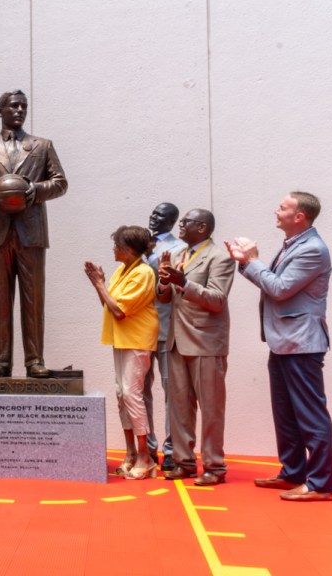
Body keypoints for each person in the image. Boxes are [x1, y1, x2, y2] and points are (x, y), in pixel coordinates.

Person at [225, 192, 332, 501]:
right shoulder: (295, 244)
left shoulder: (312, 249)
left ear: (299, 216)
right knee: (285, 414)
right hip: (284, 341)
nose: (276, 210)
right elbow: (273, 282)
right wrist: (246, 264)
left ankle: (321, 485)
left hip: (302, 343)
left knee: (312, 416)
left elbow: (280, 288)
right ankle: (293, 473)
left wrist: (253, 261)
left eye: (283, 207)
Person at [0, 89, 68, 378]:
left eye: (24, 106)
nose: (19, 110)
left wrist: (36, 190)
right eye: (13, 106)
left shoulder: (42, 146)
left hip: (31, 234)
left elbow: (60, 182)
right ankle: (0, 360)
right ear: (0, 111)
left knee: (33, 300)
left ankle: (34, 360)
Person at [158, 209, 235, 486]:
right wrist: (165, 280)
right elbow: (166, 298)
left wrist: (184, 282)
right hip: (177, 341)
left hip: (205, 342)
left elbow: (216, 299)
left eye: (186, 222)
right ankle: (184, 462)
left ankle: (214, 466)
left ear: (201, 228)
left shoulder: (220, 257)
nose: (181, 225)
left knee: (212, 409)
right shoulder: (179, 255)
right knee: (179, 407)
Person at [84, 226, 159, 479]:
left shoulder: (144, 272)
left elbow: (119, 310)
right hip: (121, 338)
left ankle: (145, 457)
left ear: (128, 249)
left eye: (117, 245)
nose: (114, 249)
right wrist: (99, 286)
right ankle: (130, 454)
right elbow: (108, 303)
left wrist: (100, 283)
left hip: (137, 339)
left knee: (132, 393)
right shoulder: (121, 270)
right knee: (121, 395)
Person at [145, 202, 187, 471]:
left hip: (164, 327)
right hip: (136, 329)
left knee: (171, 390)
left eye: (160, 216)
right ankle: (147, 446)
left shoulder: (178, 248)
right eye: (152, 213)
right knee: (139, 391)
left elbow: (175, 286)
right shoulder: (139, 242)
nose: (153, 218)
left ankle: (171, 449)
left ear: (171, 221)